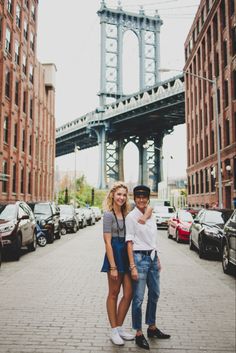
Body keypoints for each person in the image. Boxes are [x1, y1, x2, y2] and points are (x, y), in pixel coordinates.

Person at [101, 181, 151, 346]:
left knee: (129, 293)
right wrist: (113, 266)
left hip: (128, 254)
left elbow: (149, 209)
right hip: (114, 254)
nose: (121, 198)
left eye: (124, 195)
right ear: (112, 195)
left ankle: (120, 326)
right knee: (113, 293)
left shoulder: (128, 212)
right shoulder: (108, 215)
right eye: (118, 194)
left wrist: (147, 211)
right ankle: (114, 330)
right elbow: (107, 243)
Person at [126, 185, 171, 350]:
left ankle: (151, 327)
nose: (141, 200)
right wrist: (132, 266)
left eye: (144, 197)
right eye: (138, 197)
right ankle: (138, 332)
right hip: (139, 259)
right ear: (135, 198)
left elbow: (153, 237)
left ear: (147, 198)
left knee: (155, 293)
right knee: (138, 299)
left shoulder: (149, 214)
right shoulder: (131, 217)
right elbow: (129, 242)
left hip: (152, 258)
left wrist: (157, 257)